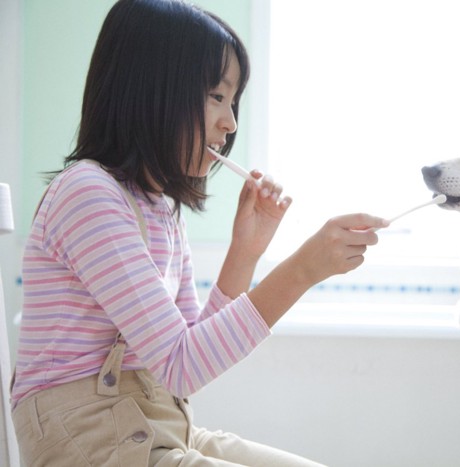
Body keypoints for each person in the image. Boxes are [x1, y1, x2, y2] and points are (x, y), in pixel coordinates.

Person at [10, 0, 388, 465]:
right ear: (152, 89)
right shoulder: (87, 194)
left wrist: (243, 253)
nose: (230, 123)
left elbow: (184, 361)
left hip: (151, 425)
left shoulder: (160, 211)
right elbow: (181, 366)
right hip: (86, 441)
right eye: (215, 96)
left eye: (233, 102)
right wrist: (303, 270)